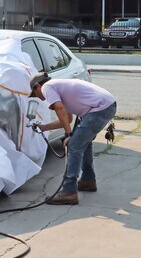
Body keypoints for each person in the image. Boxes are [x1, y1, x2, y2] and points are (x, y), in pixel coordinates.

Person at [29, 72, 117, 205]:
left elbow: (59, 109)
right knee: (83, 143)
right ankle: (88, 180)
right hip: (104, 105)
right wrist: (43, 127)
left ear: (37, 86)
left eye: (35, 94)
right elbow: (67, 119)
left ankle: (68, 191)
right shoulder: (59, 87)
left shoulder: (47, 87)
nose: (38, 97)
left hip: (100, 108)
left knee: (74, 145)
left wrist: (69, 135)